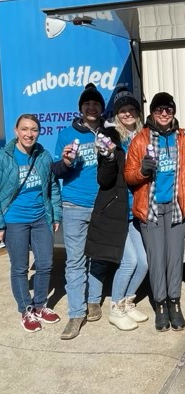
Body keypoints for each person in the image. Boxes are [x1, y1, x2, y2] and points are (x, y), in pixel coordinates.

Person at [124, 92, 185, 332]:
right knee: (157, 259)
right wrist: (142, 170)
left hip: (175, 208)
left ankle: (175, 302)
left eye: (168, 109)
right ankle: (160, 304)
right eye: (159, 109)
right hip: (151, 209)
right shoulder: (141, 140)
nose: (164, 113)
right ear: (152, 112)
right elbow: (129, 175)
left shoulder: (182, 139)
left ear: (173, 112)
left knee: (174, 259)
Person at [85, 88, 149, 331]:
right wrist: (109, 158)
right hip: (116, 210)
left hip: (136, 210)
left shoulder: (145, 137)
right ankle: (115, 309)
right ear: (117, 114)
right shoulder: (110, 135)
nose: (128, 114)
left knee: (144, 262)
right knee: (129, 260)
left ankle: (127, 302)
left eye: (132, 110)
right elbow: (103, 179)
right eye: (123, 110)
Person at [52, 83, 106, 340]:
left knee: (98, 256)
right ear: (81, 108)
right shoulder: (66, 134)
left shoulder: (109, 133)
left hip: (102, 204)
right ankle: (76, 313)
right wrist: (65, 161)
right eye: (87, 104)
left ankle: (94, 300)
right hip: (74, 205)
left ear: (102, 108)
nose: (92, 107)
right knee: (75, 260)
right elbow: (57, 170)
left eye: (96, 104)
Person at [0, 114, 62, 332]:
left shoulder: (43, 155)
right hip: (14, 220)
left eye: (34, 129)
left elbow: (52, 187)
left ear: (39, 132)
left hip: (40, 218)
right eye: (24, 129)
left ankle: (40, 306)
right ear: (16, 131)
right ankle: (25, 309)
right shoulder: (4, 157)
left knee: (45, 264)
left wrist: (55, 215)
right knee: (19, 268)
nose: (29, 134)